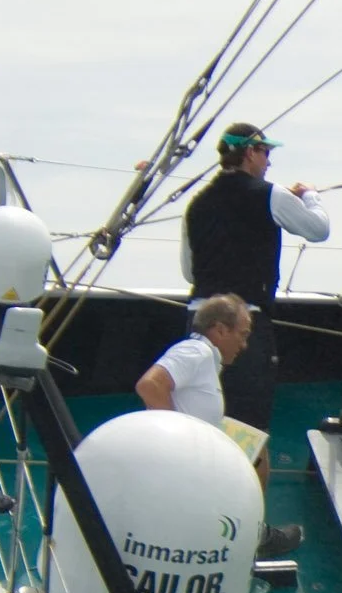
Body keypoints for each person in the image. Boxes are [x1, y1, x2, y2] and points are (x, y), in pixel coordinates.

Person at [182, 122, 328, 431]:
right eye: (265, 152)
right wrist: (310, 196)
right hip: (243, 321)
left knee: (200, 420)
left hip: (197, 321)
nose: (269, 161)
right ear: (250, 152)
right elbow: (318, 229)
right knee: (246, 425)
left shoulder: (196, 204)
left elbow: (188, 270)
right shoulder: (270, 195)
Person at [134, 294, 301, 558]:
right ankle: (248, 535)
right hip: (186, 461)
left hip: (198, 450)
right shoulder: (195, 351)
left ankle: (248, 530)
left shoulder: (206, 358)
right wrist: (179, 441)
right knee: (257, 457)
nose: (244, 345)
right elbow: (149, 385)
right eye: (242, 334)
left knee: (256, 446)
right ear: (220, 330)